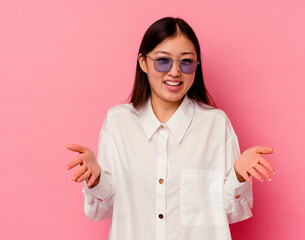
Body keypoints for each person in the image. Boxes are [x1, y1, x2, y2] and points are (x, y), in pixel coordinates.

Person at [65, 17, 275, 240]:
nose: (175, 72)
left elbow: (230, 212)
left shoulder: (215, 124)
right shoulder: (118, 122)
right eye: (163, 61)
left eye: (186, 62)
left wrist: (238, 176)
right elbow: (101, 210)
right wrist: (96, 180)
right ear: (143, 62)